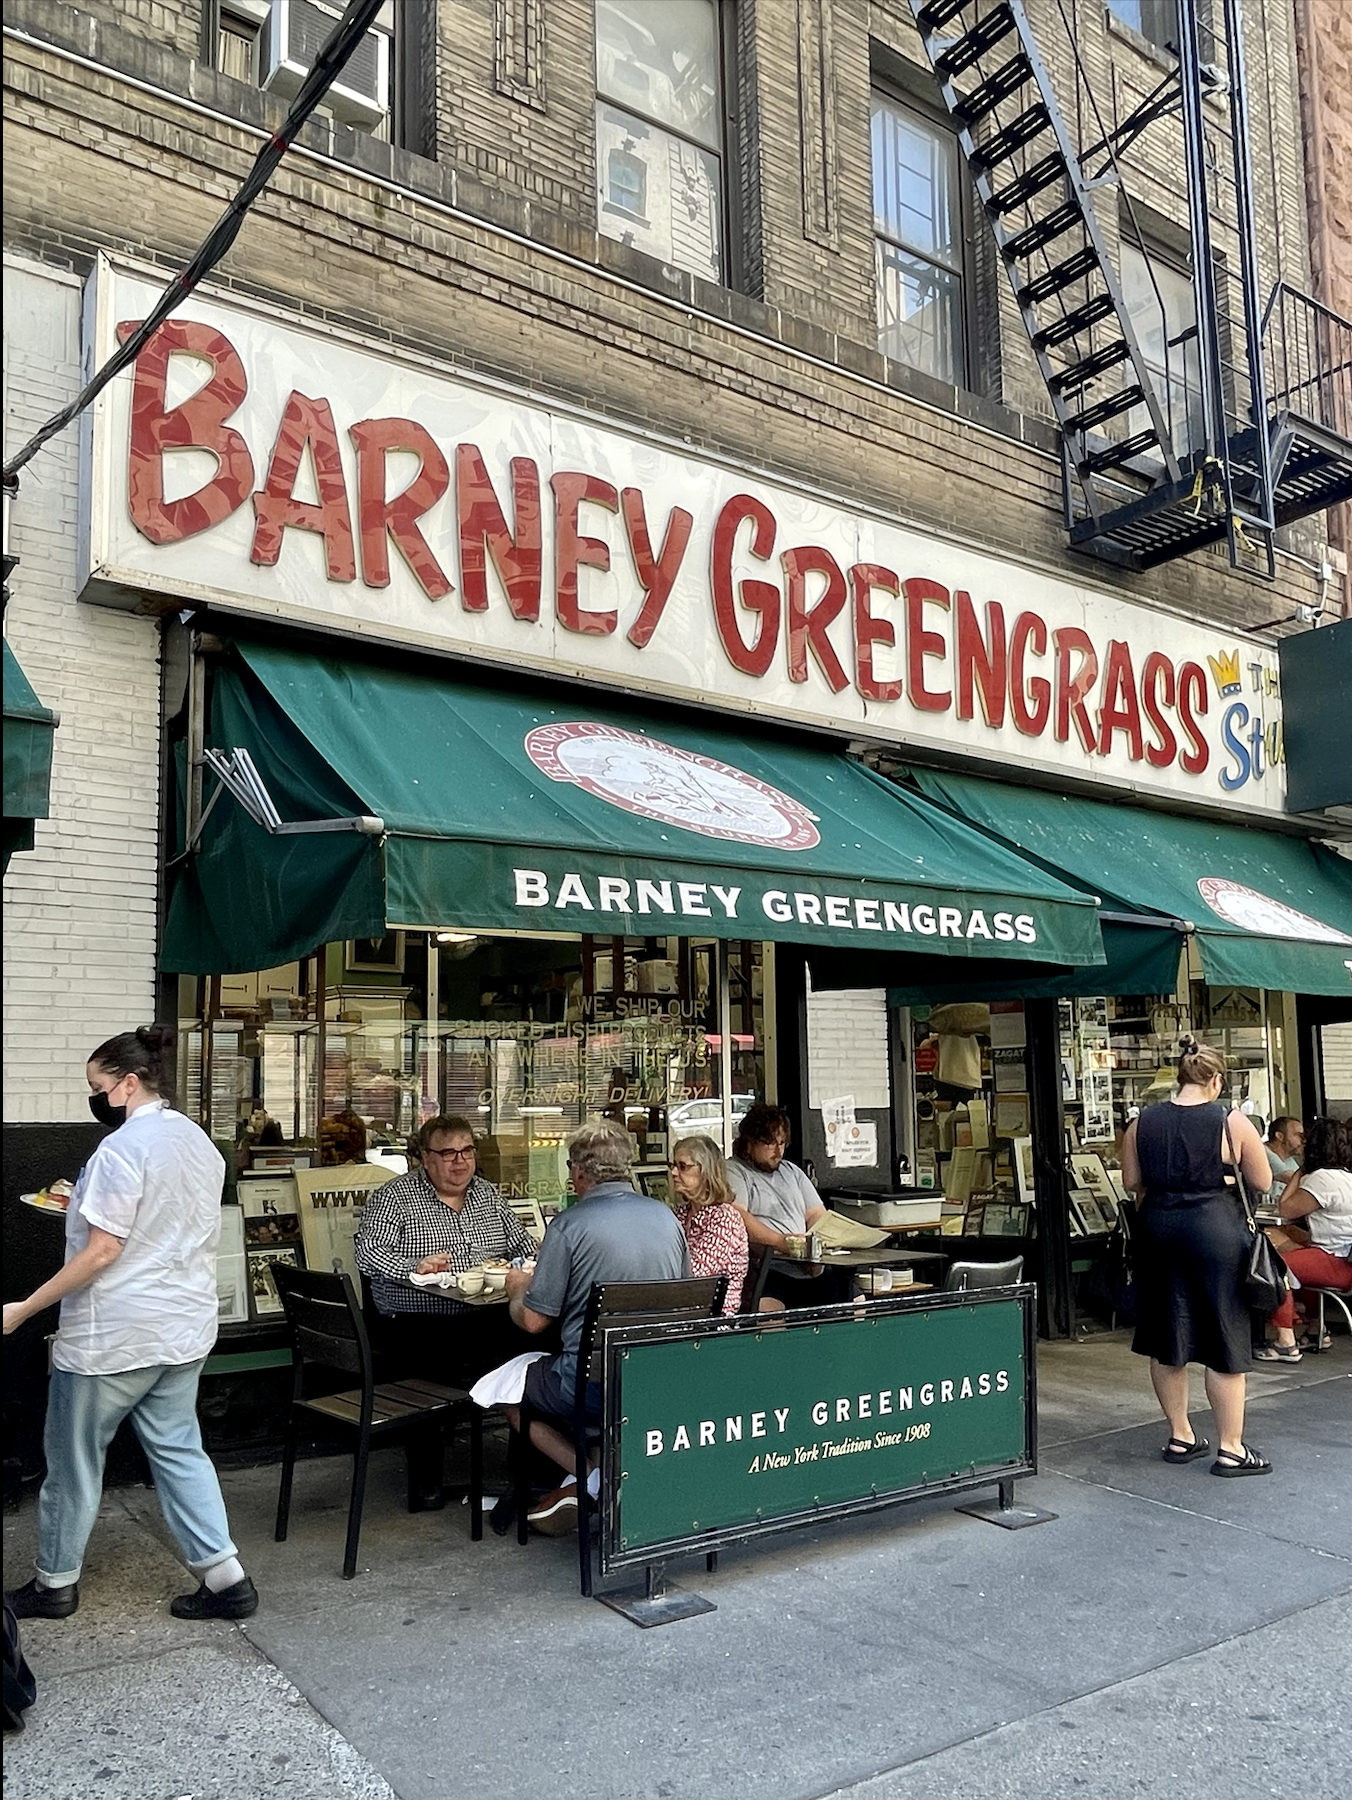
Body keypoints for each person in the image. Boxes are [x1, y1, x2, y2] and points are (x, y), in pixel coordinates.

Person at [1, 1025, 258, 1622]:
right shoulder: (199, 1141)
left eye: (99, 1087)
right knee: (179, 1450)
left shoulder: (119, 1151)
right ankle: (227, 1580)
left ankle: (54, 1583)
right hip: (183, 1328)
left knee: (72, 1462)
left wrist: (23, 1309)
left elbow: (103, 1251)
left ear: (129, 1082)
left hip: (112, 1336)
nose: (95, 1099)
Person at [499, 1119, 691, 1535]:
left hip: (590, 1385)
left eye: (570, 1166)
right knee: (601, 1394)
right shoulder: (667, 1220)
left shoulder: (569, 1225)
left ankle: (591, 1480)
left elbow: (534, 1321)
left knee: (504, 1392)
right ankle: (605, 1475)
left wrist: (517, 1289)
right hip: (658, 1378)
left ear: (579, 1172)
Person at [1119, 1036, 1274, 1478]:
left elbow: (1132, 1182)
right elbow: (1261, 1180)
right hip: (1215, 1231)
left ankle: (1181, 1433)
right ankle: (1230, 1447)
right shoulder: (1232, 1121)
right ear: (1216, 1080)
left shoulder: (1141, 1123)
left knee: (1168, 1334)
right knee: (1224, 1334)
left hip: (1159, 1231)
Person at [354, 1114, 537, 1378]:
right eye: (448, 1153)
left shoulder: (488, 1193)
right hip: (420, 1324)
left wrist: (544, 1256)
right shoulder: (394, 1197)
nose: (460, 1161)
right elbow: (367, 1253)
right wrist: (414, 1267)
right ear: (426, 1158)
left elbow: (523, 1244)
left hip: (488, 1316)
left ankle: (529, 1408)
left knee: (549, 1331)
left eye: (466, 1151)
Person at [1257, 1116, 1352, 1361]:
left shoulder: (1320, 1179)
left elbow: (1285, 1208)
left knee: (1276, 1266)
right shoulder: (1347, 1177)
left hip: (1334, 1261)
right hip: (1344, 1256)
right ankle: (1314, 1327)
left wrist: (1302, 1170)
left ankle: (1286, 1341)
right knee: (1298, 1258)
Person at [726, 1103, 829, 1312]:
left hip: (807, 1266)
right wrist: (781, 1243)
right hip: (768, 1268)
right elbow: (738, 1216)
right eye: (770, 1144)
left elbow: (817, 1213)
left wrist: (814, 1249)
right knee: (769, 1309)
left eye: (782, 1143)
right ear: (749, 1143)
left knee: (855, 1297)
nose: (778, 1151)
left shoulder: (792, 1171)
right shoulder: (735, 1171)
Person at [670, 1135, 749, 1316]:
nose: (674, 1172)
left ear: (705, 1172)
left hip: (712, 1321)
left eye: (682, 1166)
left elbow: (695, 1277)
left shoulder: (725, 1219)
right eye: (673, 1165)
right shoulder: (681, 1214)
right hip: (679, 1313)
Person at [1263, 1116, 1305, 1201]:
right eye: (1298, 1135)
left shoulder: (1289, 1159)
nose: (1303, 1140)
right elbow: (1295, 1179)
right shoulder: (1265, 1153)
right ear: (1280, 1136)